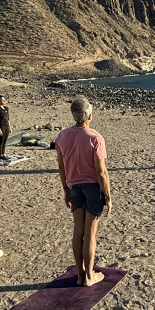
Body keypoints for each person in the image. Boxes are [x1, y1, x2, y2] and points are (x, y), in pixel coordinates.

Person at [55, 96, 112, 287]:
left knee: (78, 230)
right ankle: (88, 276)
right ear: (89, 115)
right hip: (92, 187)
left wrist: (65, 190)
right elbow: (101, 172)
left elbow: (62, 167)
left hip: (73, 186)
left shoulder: (62, 136)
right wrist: (108, 196)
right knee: (90, 233)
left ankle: (80, 275)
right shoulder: (95, 138)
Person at [0, 95, 11, 160]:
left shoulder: (6, 109)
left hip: (6, 126)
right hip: (1, 126)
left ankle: (3, 154)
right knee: (1, 140)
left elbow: (8, 118)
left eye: (4, 100)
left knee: (5, 141)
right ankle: (0, 155)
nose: (4, 101)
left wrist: (9, 127)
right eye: (2, 100)